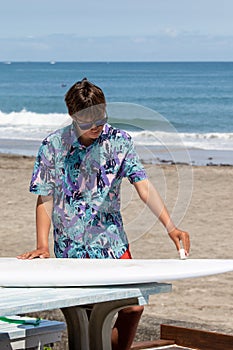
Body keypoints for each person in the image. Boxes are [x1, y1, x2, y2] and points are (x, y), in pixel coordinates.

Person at [18, 78, 190, 350]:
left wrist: (171, 226)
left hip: (112, 242)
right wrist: (42, 244)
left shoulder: (120, 141)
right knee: (85, 316)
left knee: (133, 307)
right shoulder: (52, 146)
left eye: (101, 118)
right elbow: (45, 196)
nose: (96, 127)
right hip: (71, 247)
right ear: (72, 116)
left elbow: (143, 186)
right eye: (87, 122)